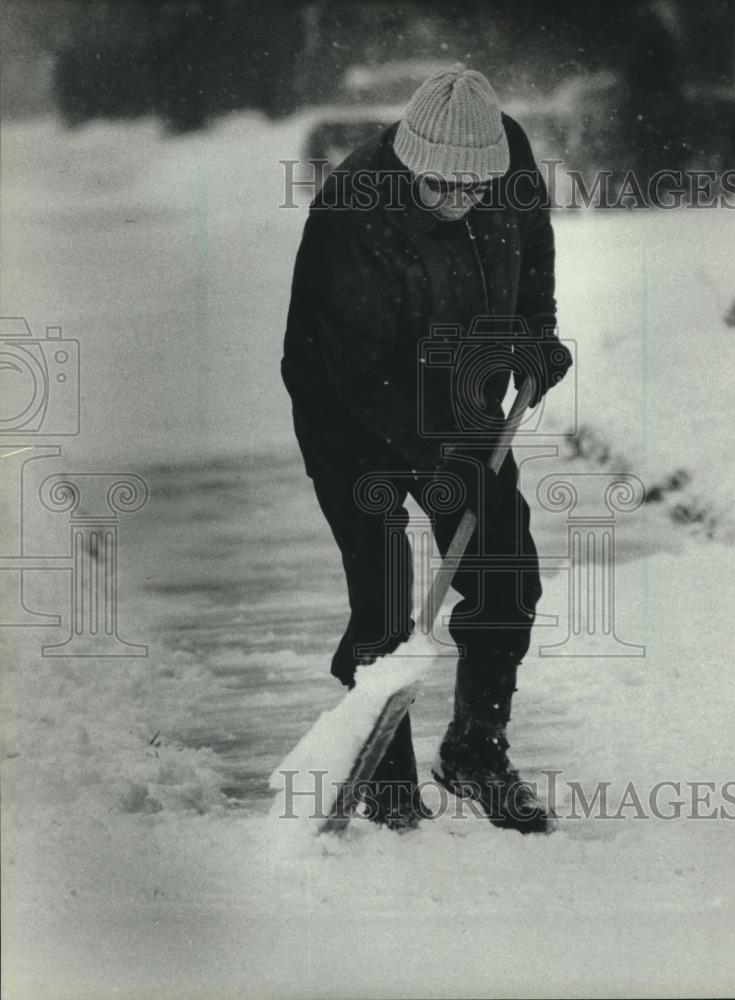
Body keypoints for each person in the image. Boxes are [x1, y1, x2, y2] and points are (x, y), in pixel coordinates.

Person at [282, 64, 572, 833]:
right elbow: (355, 372)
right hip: (348, 408)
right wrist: (438, 463)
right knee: (382, 601)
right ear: (408, 164)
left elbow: (533, 245)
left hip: (459, 388)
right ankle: (388, 788)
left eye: (471, 187)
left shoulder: (503, 152)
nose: (457, 199)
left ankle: (476, 749)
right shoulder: (353, 211)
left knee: (504, 573)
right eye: (438, 187)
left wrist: (534, 335)